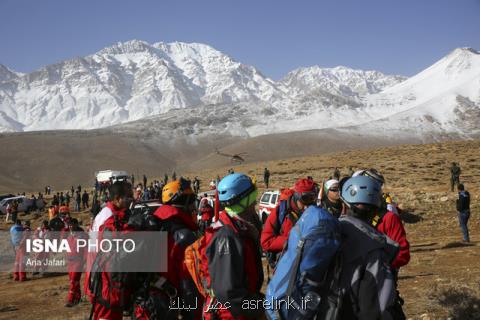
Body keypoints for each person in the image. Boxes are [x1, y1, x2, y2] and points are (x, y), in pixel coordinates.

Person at [202, 173, 264, 319]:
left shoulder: (238, 228)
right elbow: (228, 293)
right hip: (232, 315)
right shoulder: (226, 236)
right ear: (244, 200)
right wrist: (260, 308)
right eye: (252, 200)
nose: (254, 204)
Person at [337, 175, 399, 319]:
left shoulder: (332, 232)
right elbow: (376, 309)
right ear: (375, 210)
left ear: (344, 204)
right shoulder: (374, 250)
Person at [151, 178, 201, 319]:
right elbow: (189, 284)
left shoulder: (156, 224)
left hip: (148, 304)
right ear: (181, 202)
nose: (193, 206)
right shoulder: (184, 236)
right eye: (190, 200)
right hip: (169, 306)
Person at [88, 181, 135, 320]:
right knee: (107, 311)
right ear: (117, 198)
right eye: (128, 196)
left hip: (108, 272)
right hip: (105, 275)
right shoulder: (108, 216)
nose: (131, 198)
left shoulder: (115, 213)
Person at [261, 178, 317, 267]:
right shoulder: (281, 211)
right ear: (296, 197)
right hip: (285, 264)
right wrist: (293, 241)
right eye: (303, 202)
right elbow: (266, 241)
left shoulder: (316, 211)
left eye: (310, 203)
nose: (306, 207)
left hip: (309, 264)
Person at [63, 218, 87, 307]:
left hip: (78, 261)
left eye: (72, 225)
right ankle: (77, 297)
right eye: (69, 225)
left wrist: (85, 260)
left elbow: (86, 249)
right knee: (73, 281)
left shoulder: (82, 236)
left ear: (76, 225)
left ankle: (70, 300)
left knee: (73, 281)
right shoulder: (69, 235)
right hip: (70, 261)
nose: (70, 226)